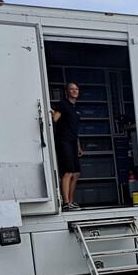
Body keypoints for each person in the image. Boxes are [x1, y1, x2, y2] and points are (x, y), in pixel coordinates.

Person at [52, 83, 83, 211]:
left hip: (73, 142)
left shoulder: (75, 109)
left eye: (76, 89)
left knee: (76, 173)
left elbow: (74, 130)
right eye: (72, 89)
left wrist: (78, 146)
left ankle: (71, 201)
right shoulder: (63, 104)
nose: (74, 91)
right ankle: (65, 202)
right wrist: (53, 113)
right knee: (68, 172)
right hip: (64, 142)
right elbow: (54, 119)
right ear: (67, 91)